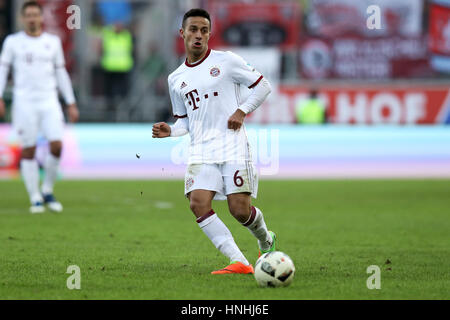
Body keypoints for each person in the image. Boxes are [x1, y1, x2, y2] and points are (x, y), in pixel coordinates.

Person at [152, 8, 276, 274]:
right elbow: (184, 121)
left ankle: (266, 239)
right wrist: (171, 131)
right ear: (182, 33)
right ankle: (240, 262)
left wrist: (242, 111)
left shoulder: (227, 61)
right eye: (193, 29)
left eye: (204, 30)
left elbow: (263, 85)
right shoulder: (175, 79)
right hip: (200, 151)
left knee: (240, 211)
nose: (198, 35)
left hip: (232, 146)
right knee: (197, 203)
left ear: (210, 33)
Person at [0, 1, 79, 213]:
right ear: (22, 18)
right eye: (29, 15)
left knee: (57, 145)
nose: (32, 18)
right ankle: (34, 196)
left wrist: (70, 102)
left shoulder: (52, 42)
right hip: (24, 103)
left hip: (49, 101)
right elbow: (3, 70)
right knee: (28, 149)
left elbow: (61, 74)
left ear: (41, 18)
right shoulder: (13, 42)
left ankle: (47, 189)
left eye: (36, 14)